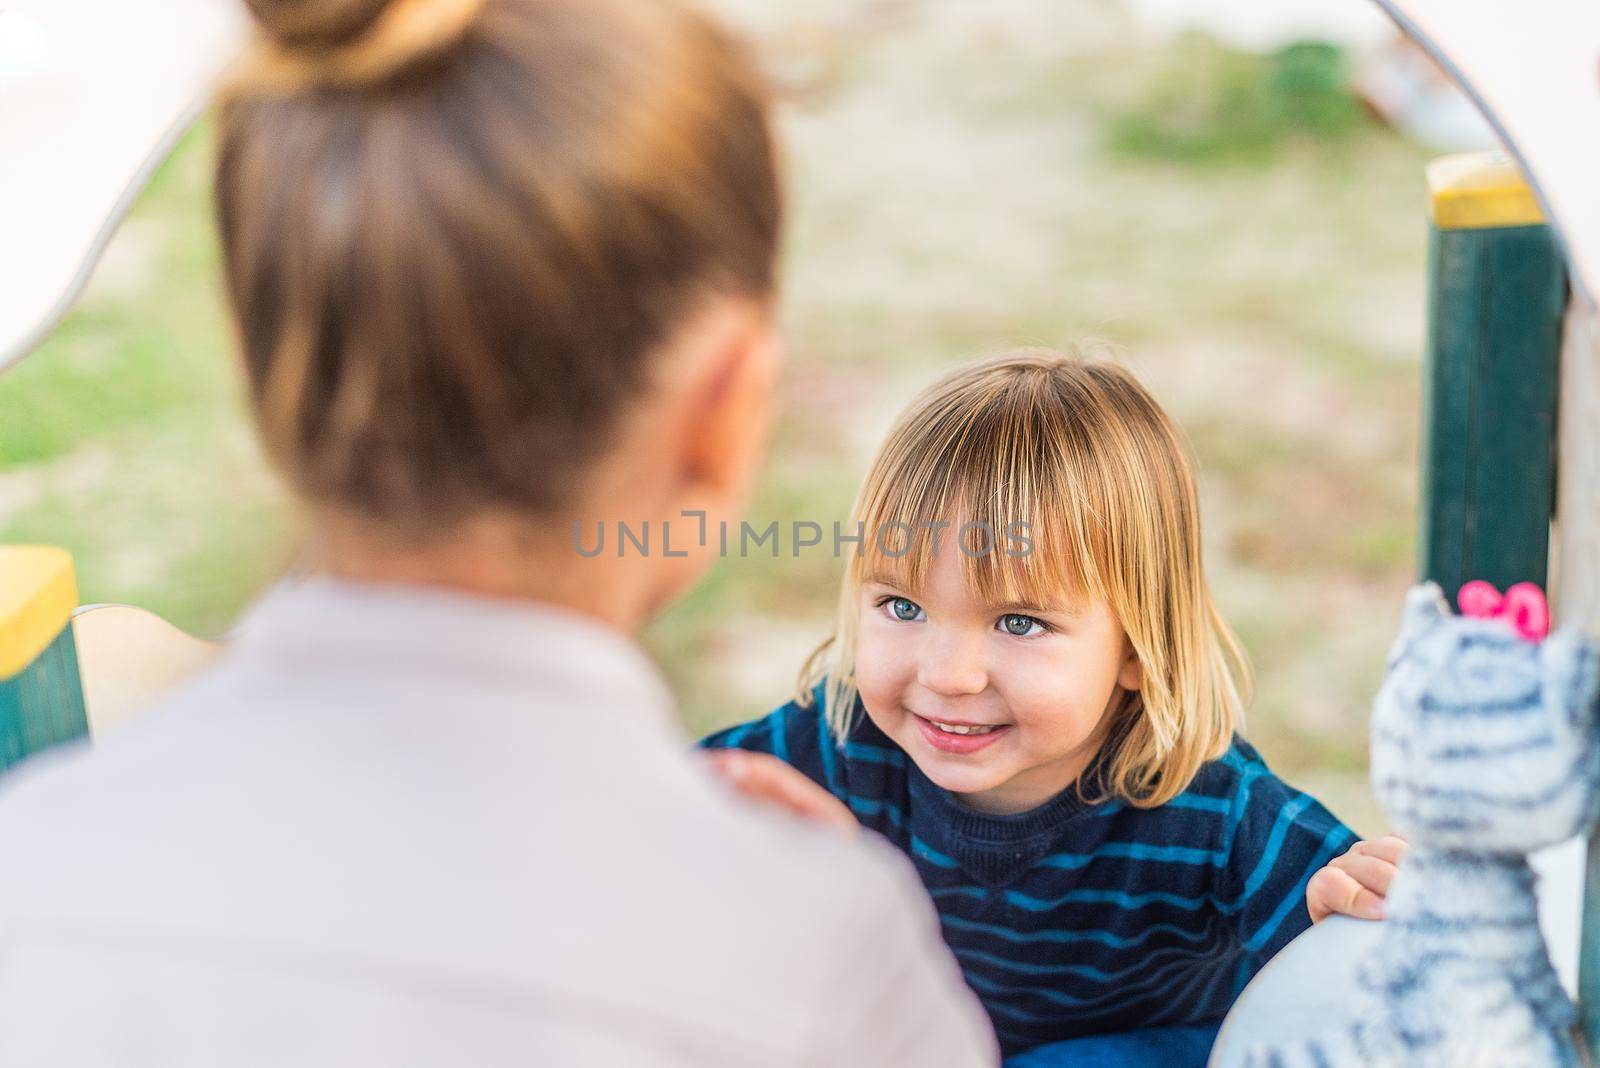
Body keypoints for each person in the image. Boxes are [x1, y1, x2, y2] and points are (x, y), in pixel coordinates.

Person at [0, 0, 999, 1063]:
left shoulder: (37, 878)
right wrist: (808, 905)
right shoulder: (823, 965)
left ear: (265, 380)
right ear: (723, 409)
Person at [701, 350, 1405, 1068]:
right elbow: (650, 795)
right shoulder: (840, 745)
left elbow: (1378, 956)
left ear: (1138, 645)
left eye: (1019, 622)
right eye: (902, 605)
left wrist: (1344, 907)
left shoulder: (1216, 811)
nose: (947, 675)